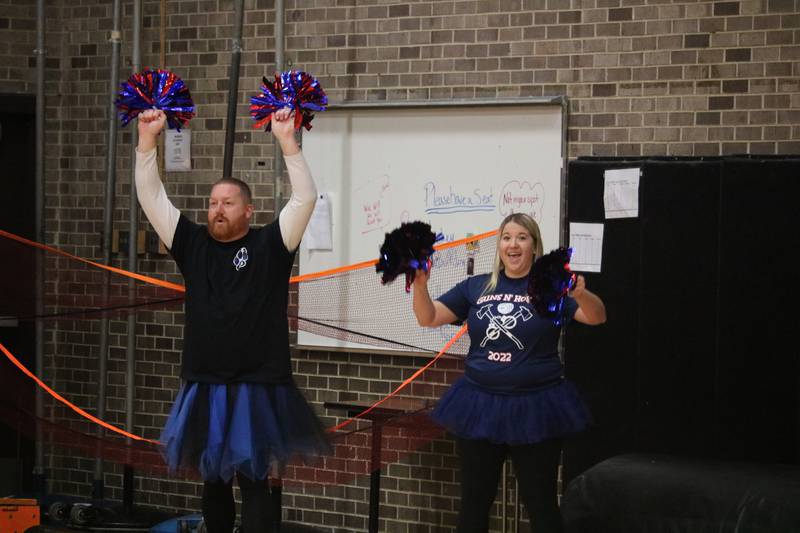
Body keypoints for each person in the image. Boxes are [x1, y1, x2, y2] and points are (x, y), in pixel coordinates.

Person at [135, 107, 330, 533]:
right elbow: (152, 197)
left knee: (255, 481)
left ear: (249, 209)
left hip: (257, 383)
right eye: (212, 203)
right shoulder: (192, 244)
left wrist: (287, 142)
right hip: (205, 382)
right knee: (214, 481)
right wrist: (147, 143)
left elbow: (305, 199)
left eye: (228, 202)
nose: (217, 209)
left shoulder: (272, 244)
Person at [412, 213, 606, 533]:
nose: (512, 244)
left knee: (540, 502)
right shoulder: (476, 287)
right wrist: (420, 284)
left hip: (536, 407)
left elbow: (597, 317)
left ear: (534, 246)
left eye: (521, 237)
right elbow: (428, 317)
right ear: (499, 245)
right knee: (474, 502)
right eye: (506, 237)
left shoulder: (551, 288)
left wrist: (580, 294)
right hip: (479, 405)